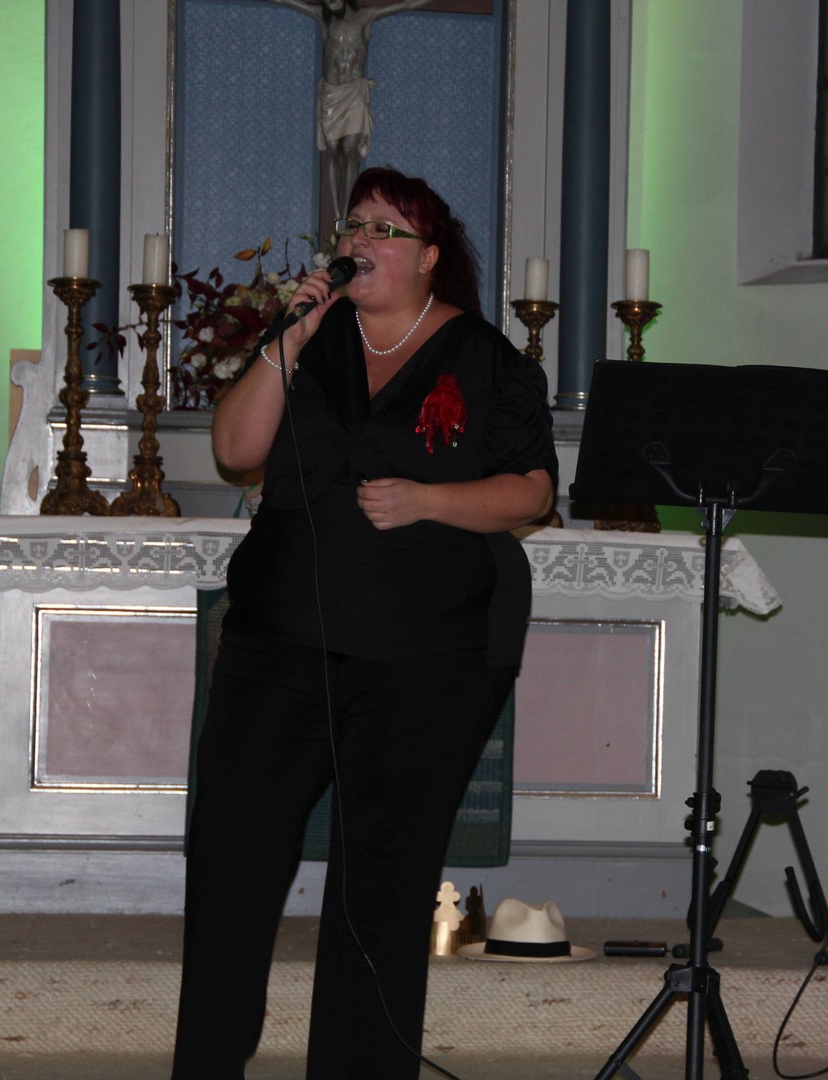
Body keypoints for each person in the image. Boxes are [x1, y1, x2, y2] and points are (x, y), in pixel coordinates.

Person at [170, 166, 557, 1079]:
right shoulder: (310, 337)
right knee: (232, 864)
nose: (360, 241)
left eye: (387, 230)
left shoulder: (486, 358)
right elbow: (236, 450)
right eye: (354, 226)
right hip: (278, 641)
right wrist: (287, 340)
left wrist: (429, 500)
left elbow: (534, 491)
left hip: (424, 656)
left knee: (379, 882)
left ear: (429, 259)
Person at [267, 0, 430, 218]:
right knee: (333, 152)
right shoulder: (322, 17)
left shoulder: (366, 17)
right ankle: (338, 215)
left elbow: (407, 4)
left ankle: (347, 211)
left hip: (354, 93)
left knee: (350, 152)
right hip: (332, 93)